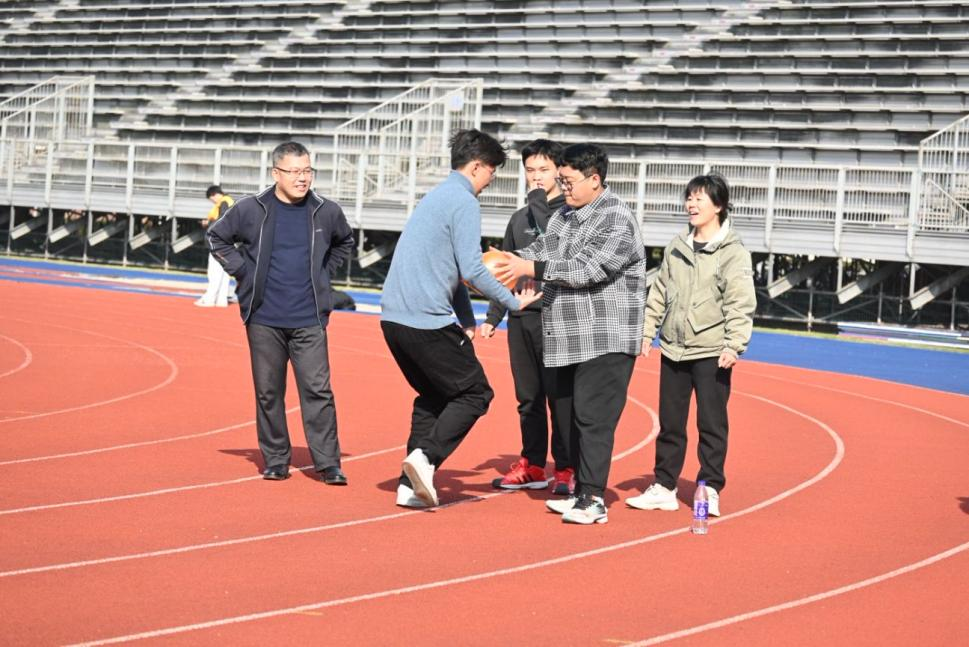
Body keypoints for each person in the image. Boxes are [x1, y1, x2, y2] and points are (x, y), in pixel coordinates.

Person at [380, 129, 542, 509]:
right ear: (477, 167)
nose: (490, 181)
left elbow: (452, 269)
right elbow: (472, 268)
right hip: (424, 320)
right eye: (491, 173)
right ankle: (425, 458)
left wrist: (467, 319)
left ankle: (409, 486)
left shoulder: (436, 196)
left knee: (434, 396)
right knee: (475, 393)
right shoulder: (464, 202)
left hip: (394, 321)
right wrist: (513, 303)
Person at [494, 143, 647, 525]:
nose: (563, 188)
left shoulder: (616, 217)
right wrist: (502, 263)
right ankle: (580, 490)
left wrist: (531, 267)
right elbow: (540, 248)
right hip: (566, 337)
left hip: (605, 337)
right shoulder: (564, 215)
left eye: (568, 181)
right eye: (560, 180)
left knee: (594, 418)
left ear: (594, 179)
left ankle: (593, 498)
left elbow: (587, 269)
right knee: (570, 417)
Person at [207, 141, 355, 486]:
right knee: (268, 392)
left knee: (318, 391)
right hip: (264, 318)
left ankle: (328, 463)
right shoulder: (251, 208)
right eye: (295, 171)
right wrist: (243, 273)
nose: (303, 178)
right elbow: (217, 237)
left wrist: (324, 273)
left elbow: (344, 242)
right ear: (276, 173)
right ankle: (275, 459)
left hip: (309, 319)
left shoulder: (326, 211)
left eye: (308, 171)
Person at [625, 174, 756, 518]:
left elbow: (740, 302)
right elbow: (659, 292)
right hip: (674, 347)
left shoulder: (733, 252)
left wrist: (734, 344)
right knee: (670, 423)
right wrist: (646, 332)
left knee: (711, 423)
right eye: (689, 198)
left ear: (719, 206)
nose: (691, 205)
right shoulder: (677, 246)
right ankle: (664, 486)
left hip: (712, 350)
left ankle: (709, 486)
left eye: (699, 199)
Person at [480, 139, 574, 495]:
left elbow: (557, 248)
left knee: (560, 399)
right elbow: (505, 269)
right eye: (530, 170)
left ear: (559, 172)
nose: (536, 177)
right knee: (528, 398)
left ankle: (565, 467)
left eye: (544, 170)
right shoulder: (519, 218)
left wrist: (539, 203)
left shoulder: (570, 215)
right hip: (522, 320)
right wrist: (493, 316)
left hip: (558, 318)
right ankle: (533, 464)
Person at [196, 185, 235, 307]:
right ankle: (221, 300)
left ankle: (210, 299)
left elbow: (222, 221)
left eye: (211, 198)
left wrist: (208, 223)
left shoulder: (223, 203)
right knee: (224, 273)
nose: (212, 201)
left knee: (214, 272)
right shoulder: (229, 201)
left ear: (214, 194)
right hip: (227, 242)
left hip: (219, 242)